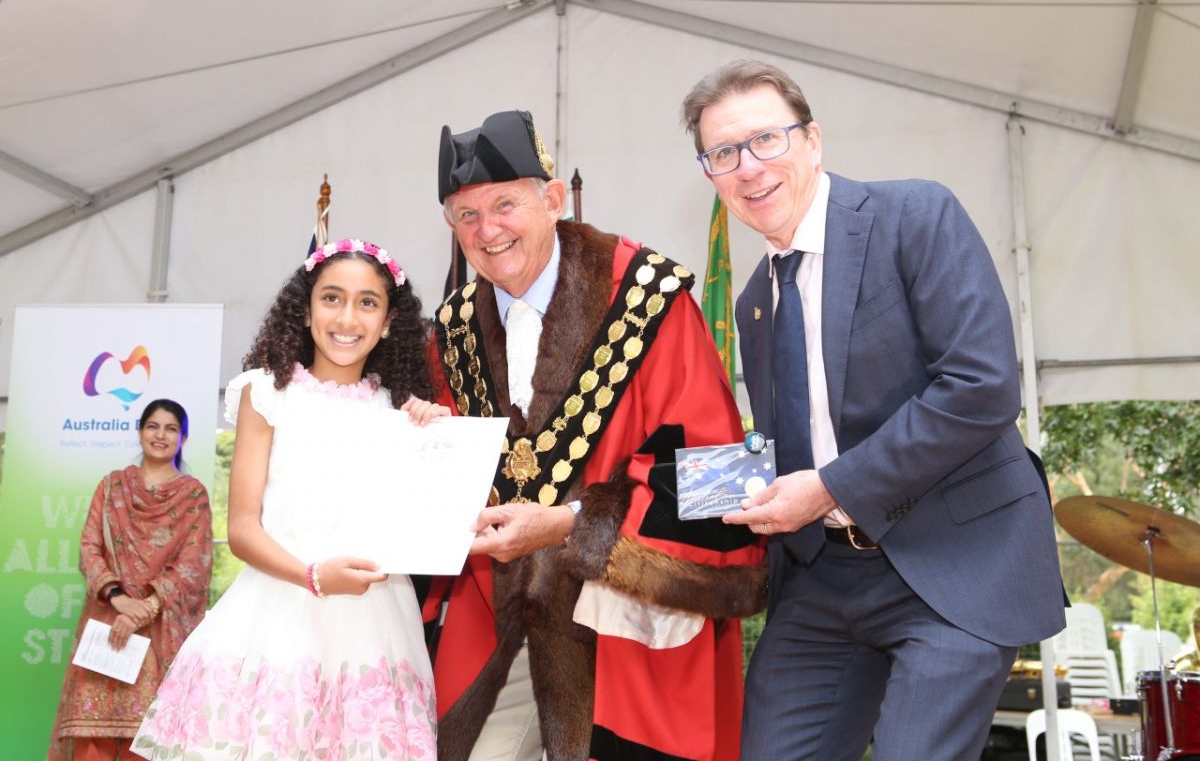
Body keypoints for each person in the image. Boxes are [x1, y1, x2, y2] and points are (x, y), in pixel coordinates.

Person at [680, 60, 1067, 761]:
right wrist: (622, 501)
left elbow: (980, 387)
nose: (749, 167)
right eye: (723, 153)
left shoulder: (913, 215)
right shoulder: (754, 304)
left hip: (957, 563)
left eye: (767, 139)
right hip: (824, 579)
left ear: (813, 141)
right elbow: (790, 449)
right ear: (709, 174)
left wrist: (828, 488)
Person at [425, 109, 766, 761]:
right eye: (465, 215)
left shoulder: (650, 296)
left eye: (504, 205)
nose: (487, 230)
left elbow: (723, 476)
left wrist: (570, 525)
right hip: (500, 626)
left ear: (553, 199)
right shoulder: (453, 332)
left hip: (628, 629)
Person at [131, 238, 448, 760]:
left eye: (368, 302)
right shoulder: (266, 394)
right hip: (279, 615)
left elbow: (425, 525)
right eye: (332, 298)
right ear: (304, 310)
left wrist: (438, 441)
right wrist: (314, 576)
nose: (348, 317)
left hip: (377, 628)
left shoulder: (400, 410)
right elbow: (242, 529)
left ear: (390, 322)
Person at [48, 399, 212, 761]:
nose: (160, 435)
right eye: (153, 426)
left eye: (171, 428)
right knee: (94, 742)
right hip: (108, 623)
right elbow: (89, 548)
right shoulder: (111, 487)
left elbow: (195, 563)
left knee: (148, 740)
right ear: (140, 432)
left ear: (183, 438)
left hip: (161, 632)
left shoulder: (192, 495)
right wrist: (120, 599)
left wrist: (146, 608)